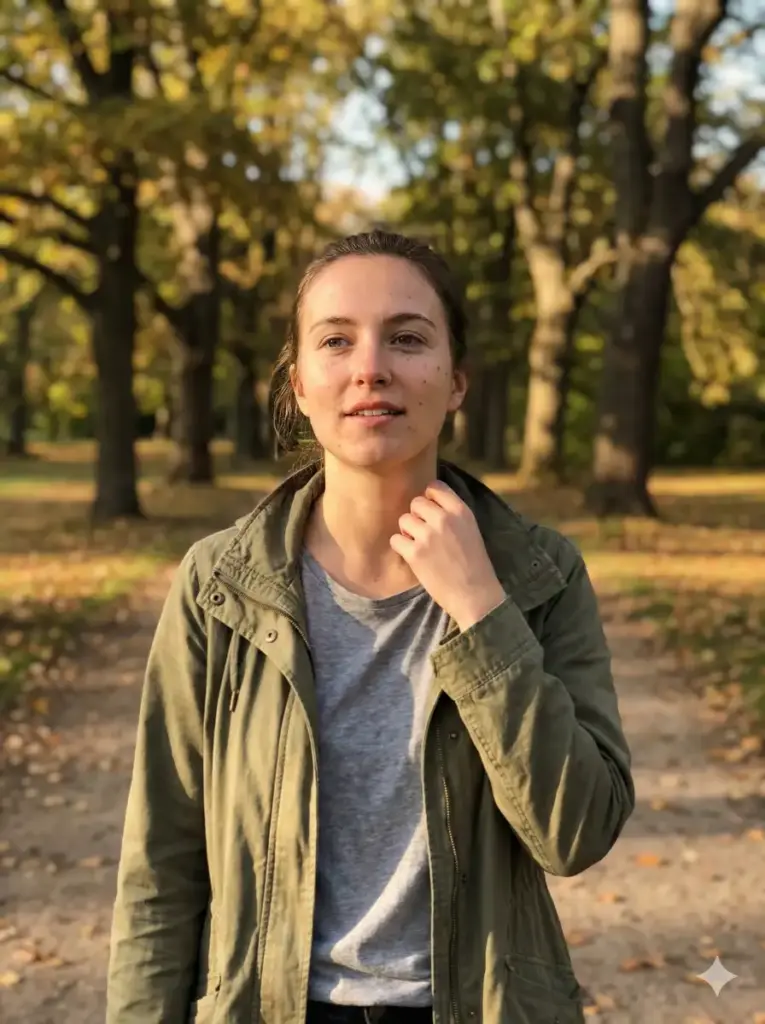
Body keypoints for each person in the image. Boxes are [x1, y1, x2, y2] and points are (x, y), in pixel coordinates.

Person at [106, 230, 635, 1024]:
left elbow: (576, 832)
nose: (371, 367)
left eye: (408, 338)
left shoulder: (536, 576)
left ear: (455, 382)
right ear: (300, 384)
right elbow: (162, 863)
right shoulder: (218, 587)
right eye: (335, 340)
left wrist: (482, 614)